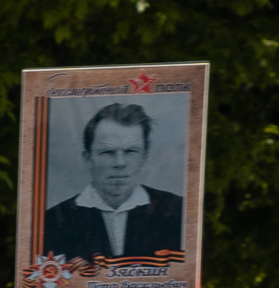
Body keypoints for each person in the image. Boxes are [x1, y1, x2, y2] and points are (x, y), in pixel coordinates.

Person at [40, 102, 185, 265]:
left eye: (131, 151)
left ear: (144, 156)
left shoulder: (177, 212)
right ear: (87, 158)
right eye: (107, 152)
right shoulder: (52, 222)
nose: (119, 163)